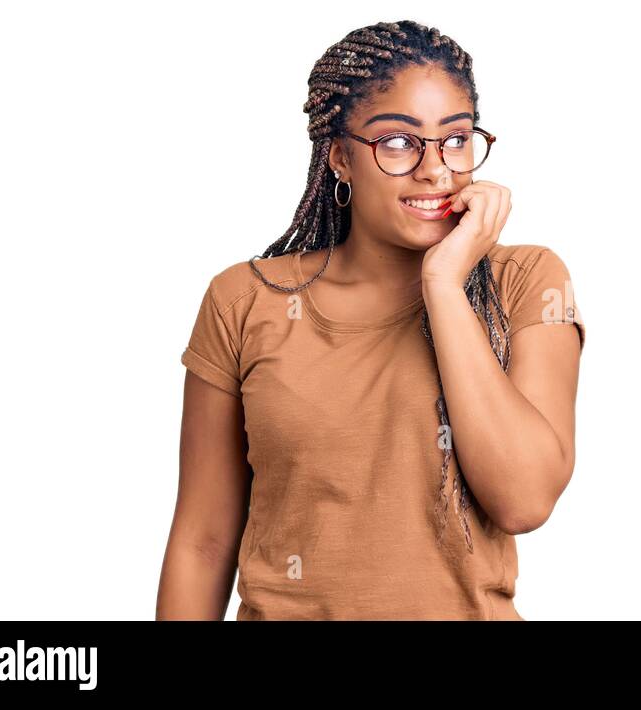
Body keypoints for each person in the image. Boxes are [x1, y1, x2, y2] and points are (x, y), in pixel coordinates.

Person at [156, 20, 586, 621]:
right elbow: (203, 542)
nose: (436, 170)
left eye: (456, 139)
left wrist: (443, 283)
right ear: (339, 157)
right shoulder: (244, 301)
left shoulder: (524, 281)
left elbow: (524, 500)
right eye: (399, 142)